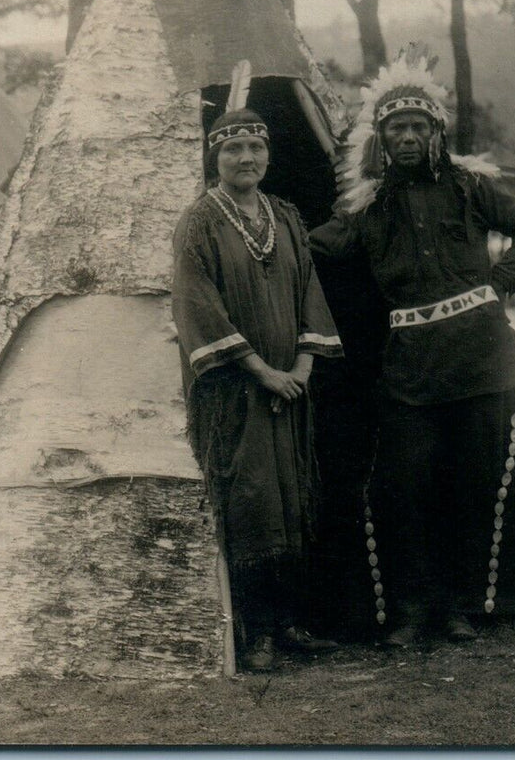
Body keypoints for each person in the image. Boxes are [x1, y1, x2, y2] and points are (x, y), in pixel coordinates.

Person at [309, 53, 515, 647]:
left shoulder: (470, 187)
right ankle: (412, 609)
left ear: (437, 133)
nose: (410, 136)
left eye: (420, 126)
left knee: (476, 485)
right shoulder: (366, 210)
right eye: (398, 127)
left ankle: (466, 607)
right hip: (410, 371)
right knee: (401, 489)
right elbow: (311, 250)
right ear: (382, 139)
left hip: (484, 360)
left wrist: (498, 285)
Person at [171, 106, 345, 672]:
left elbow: (309, 294)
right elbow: (198, 304)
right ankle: (258, 632)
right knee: (251, 504)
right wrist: (260, 370)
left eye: (256, 148)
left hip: (290, 387)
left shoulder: (287, 217)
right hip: (237, 393)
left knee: (292, 499)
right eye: (232, 150)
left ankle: (291, 622)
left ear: (268, 155)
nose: (246, 159)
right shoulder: (199, 223)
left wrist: (301, 368)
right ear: (214, 159)